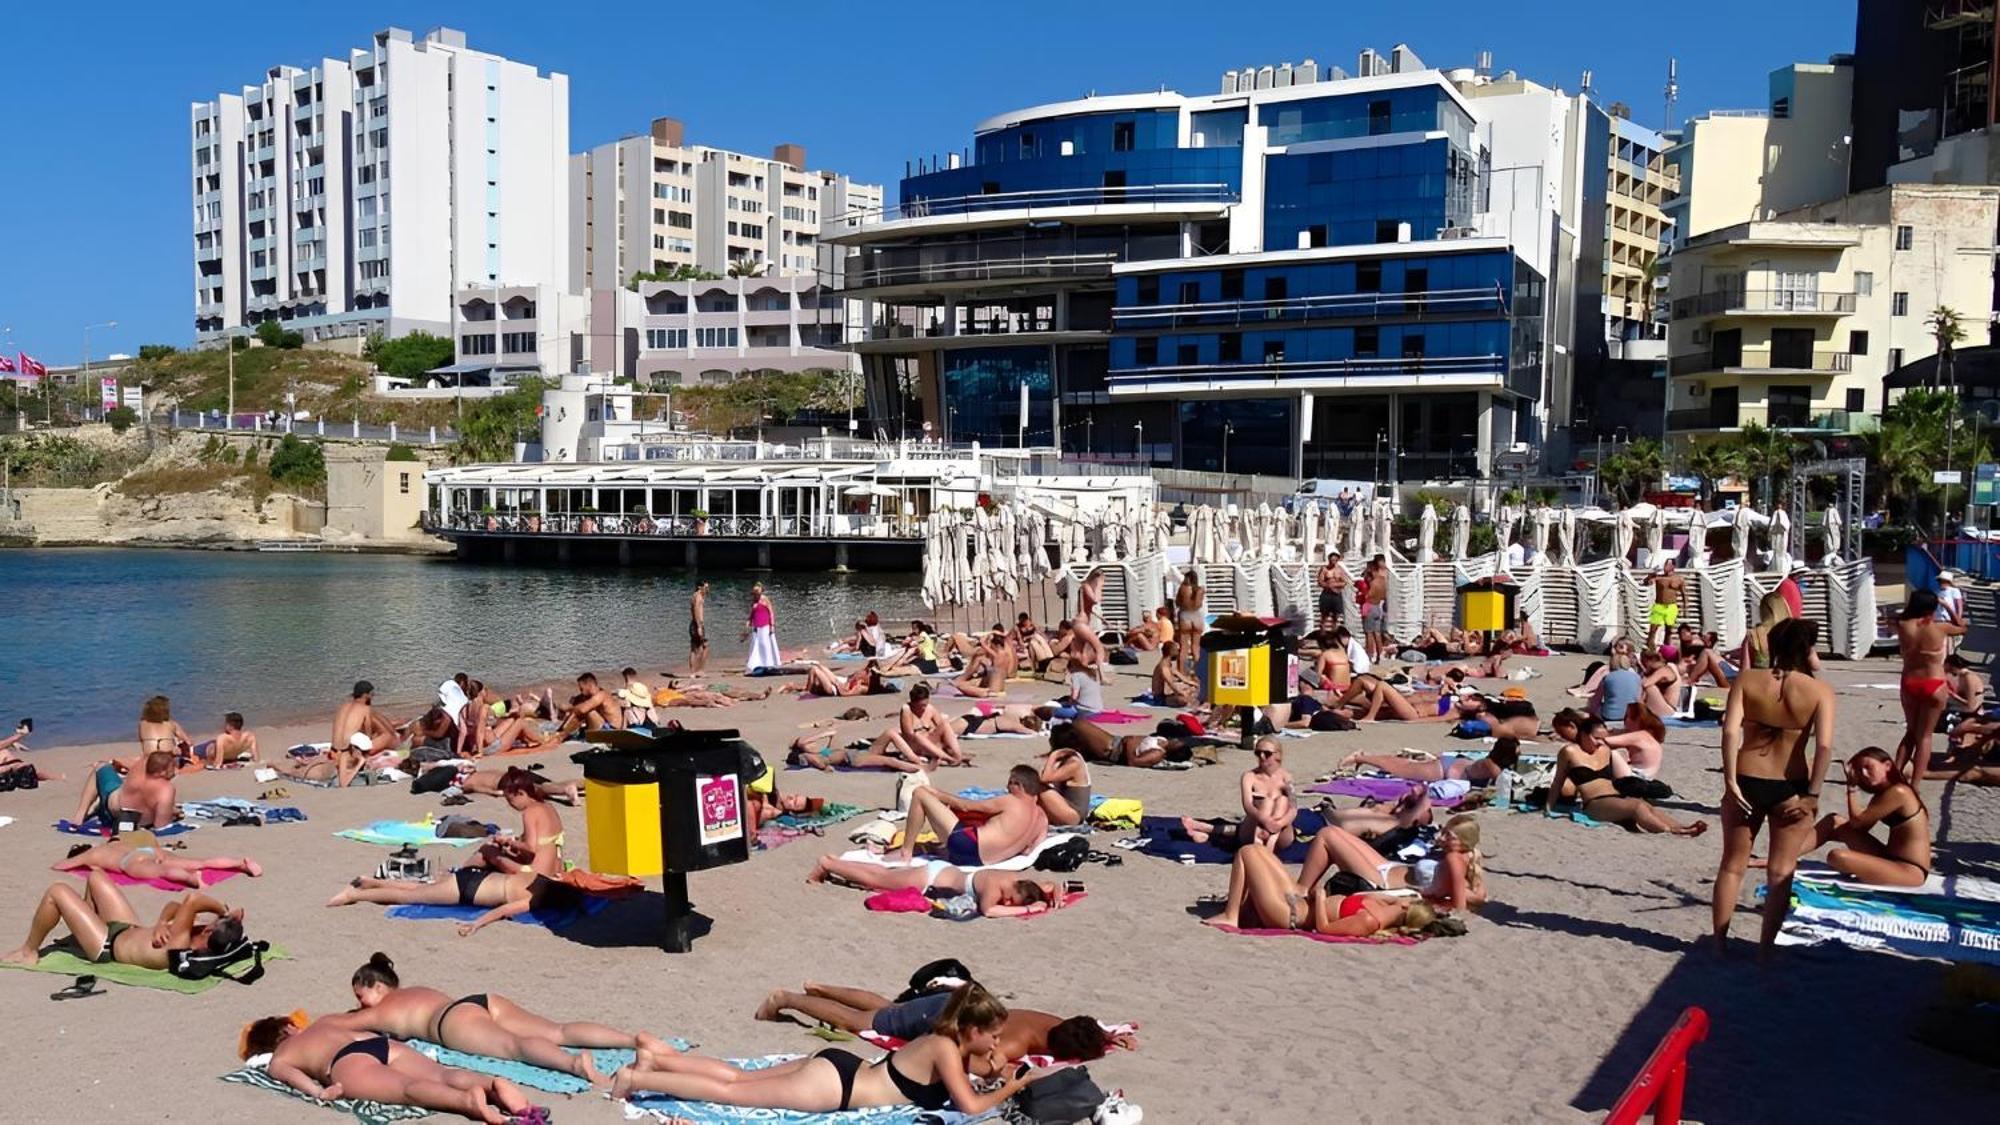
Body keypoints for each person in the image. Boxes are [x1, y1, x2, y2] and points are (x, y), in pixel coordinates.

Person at [609, 983, 1051, 1114]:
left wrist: (994, 1069)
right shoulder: (944, 1050)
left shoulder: (943, 1041)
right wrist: (1015, 1086)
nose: (997, 1043)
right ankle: (638, 1077)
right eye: (991, 1034)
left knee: (736, 1076)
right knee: (729, 1092)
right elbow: (971, 1106)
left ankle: (660, 1056)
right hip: (833, 1088)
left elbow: (978, 1073)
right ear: (970, 1029)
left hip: (838, 1068)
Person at [333, 952, 676, 1090]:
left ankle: (574, 1063)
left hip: (451, 1023)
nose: (359, 1005)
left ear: (378, 987)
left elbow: (338, 1025)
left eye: (360, 997)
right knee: (558, 1029)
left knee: (515, 1048)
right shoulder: (415, 990)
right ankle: (633, 1039)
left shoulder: (381, 1010)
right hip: (478, 1001)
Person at [1713, 617, 1837, 961]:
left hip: (1747, 777)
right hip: (1792, 784)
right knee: (1781, 870)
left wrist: (1730, 779)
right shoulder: (1820, 691)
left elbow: (1729, 732)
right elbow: (1824, 747)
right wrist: (1813, 793)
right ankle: (1765, 951)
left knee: (1732, 865)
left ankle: (1720, 944)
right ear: (1808, 649)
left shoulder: (1749, 680)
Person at [240, 1012, 537, 1124]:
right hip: (382, 1045)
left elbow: (301, 1081)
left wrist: (322, 1092)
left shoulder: (280, 1059)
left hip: (345, 1062)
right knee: (442, 1074)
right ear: (290, 1026)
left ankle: (468, 1102)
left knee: (407, 1090)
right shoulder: (323, 1023)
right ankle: (490, 1084)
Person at [754, 983, 1130, 1067]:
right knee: (862, 1022)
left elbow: (1090, 1028)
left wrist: (1109, 1037)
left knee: (889, 1009)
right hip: (940, 1017)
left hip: (961, 1004)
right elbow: (982, 1063)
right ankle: (786, 999)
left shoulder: (1060, 1024)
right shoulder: (1017, 1041)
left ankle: (821, 986)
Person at [4, 874, 244, 969]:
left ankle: (29, 950)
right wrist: (162, 922)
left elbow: (192, 899)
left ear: (210, 929)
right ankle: (79, 934)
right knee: (96, 876)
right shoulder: (200, 934)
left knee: (57, 891)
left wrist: (222, 909)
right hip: (128, 927)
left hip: (106, 945)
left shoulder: (181, 945)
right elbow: (175, 906)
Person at [1200, 844, 1439, 937]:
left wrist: (1322, 897)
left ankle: (1231, 916)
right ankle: (1241, 911)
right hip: (1298, 900)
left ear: (1406, 907)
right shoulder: (1381, 905)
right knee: (1258, 850)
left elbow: (1324, 929)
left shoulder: (1369, 921)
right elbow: (1382, 896)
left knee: (1247, 854)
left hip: (1289, 915)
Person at [1784, 747, 1931, 887]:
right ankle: (1786, 857)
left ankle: (1867, 871)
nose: (1864, 774)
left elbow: (1858, 823)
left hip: (1910, 870)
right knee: (1833, 821)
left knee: (1837, 856)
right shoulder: (1882, 795)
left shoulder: (1900, 792)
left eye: (1868, 767)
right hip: (1890, 858)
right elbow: (1861, 828)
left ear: (1887, 765)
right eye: (1860, 771)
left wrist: (1852, 789)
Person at [326, 866, 588, 939]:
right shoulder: (533, 899)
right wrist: (475, 925)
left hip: (473, 876)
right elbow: (502, 911)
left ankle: (371, 881)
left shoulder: (538, 879)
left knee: (422, 889)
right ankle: (355, 894)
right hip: (467, 891)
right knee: (411, 897)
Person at [1546, 716, 1707, 836]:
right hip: (1594, 804)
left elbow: (1619, 778)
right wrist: (1549, 807)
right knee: (1636, 808)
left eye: (1604, 738)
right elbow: (1558, 781)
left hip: (1615, 797)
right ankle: (1672, 831)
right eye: (1597, 738)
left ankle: (1681, 826)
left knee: (1643, 804)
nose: (1601, 742)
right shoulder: (1570, 752)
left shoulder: (1604, 750)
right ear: (1583, 734)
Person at [1294, 814, 1487, 913]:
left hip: (1383, 882)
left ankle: (1301, 890)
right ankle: (1302, 887)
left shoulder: (1454, 859)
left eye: (1448, 836)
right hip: (1388, 868)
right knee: (1334, 832)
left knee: (1327, 835)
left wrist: (1426, 901)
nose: (1441, 837)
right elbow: (1473, 893)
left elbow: (1458, 905)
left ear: (1462, 841)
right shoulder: (1467, 857)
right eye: (1443, 831)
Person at [808, 854, 1065, 917]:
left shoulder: (1013, 879)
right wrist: (1028, 910)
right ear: (1014, 890)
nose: (1007, 902)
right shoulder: (996, 887)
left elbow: (1050, 885)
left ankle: (836, 862)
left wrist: (1053, 894)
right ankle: (828, 864)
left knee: (883, 876)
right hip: (929, 879)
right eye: (1011, 899)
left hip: (939, 872)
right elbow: (989, 911)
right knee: (877, 880)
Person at [895, 764, 1049, 866]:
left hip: (966, 847)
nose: (1006, 788)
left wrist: (934, 792)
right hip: (985, 862)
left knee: (920, 793)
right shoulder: (1042, 818)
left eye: (1009, 783)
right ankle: (930, 849)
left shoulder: (1010, 801)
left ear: (1018, 785)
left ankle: (906, 852)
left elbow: (965, 806)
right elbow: (1028, 851)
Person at [1896, 589, 1965, 783]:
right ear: (1932, 607)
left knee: (1910, 732)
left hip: (1910, 681)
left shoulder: (1902, 625)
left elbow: (1901, 616)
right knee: (1925, 737)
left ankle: (1895, 775)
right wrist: (1947, 606)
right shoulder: (1940, 628)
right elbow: (1962, 627)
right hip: (1933, 682)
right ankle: (1915, 784)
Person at [1178, 737, 1296, 850]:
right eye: (1258, 753)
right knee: (1266, 804)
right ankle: (1265, 844)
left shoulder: (1286, 778)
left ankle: (1205, 828)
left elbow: (1293, 809)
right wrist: (1266, 821)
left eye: (1267, 753)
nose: (1262, 756)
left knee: (1282, 802)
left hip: (1280, 832)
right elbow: (1248, 806)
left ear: (1278, 755)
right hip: (1255, 826)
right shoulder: (1249, 777)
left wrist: (1278, 824)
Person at [468, 768, 566, 877]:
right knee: (503, 851)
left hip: (536, 874)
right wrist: (515, 843)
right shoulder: (548, 806)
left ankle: (461, 874)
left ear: (521, 793)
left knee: (487, 849)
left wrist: (509, 841)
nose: (510, 805)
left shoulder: (530, 812)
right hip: (555, 870)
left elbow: (530, 848)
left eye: (510, 800)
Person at [55, 838, 262, 889]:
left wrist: (57, 865)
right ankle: (240, 863)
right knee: (200, 862)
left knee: (164, 871)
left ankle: (195, 881)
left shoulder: (92, 854)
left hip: (131, 861)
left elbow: (64, 865)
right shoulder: (112, 843)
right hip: (146, 850)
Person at [1338, 737, 1520, 786]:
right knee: (1400, 769)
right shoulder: (1494, 767)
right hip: (1444, 770)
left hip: (1453, 765)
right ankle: (1359, 757)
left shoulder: (1493, 763)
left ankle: (1365, 755)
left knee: (1403, 765)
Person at [72, 749, 178, 829]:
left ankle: (80, 816)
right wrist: (170, 814)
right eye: (173, 768)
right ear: (162, 772)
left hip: (114, 810)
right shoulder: (166, 790)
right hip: (138, 822)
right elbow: (161, 825)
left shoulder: (138, 768)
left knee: (102, 766)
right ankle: (93, 810)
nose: (175, 771)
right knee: (101, 767)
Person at [332, 681, 402, 788]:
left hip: (334, 751)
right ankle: (399, 749)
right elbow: (368, 734)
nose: (373, 697)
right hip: (348, 754)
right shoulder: (365, 709)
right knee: (388, 737)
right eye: (372, 694)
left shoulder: (343, 706)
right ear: (365, 695)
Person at [1049, 716, 1188, 769]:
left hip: (1113, 749)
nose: (1176, 740)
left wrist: (1130, 744)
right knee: (1077, 729)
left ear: (1174, 750)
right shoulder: (1162, 741)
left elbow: (1133, 762)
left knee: (1079, 724)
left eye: (1178, 743)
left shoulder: (1158, 753)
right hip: (1117, 741)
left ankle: (1060, 747)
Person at [786, 728, 924, 773]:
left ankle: (916, 759)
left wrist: (820, 735)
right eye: (808, 744)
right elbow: (821, 765)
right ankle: (920, 768)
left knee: (890, 732)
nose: (812, 744)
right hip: (853, 758)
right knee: (889, 760)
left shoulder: (826, 750)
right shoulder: (812, 756)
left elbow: (833, 732)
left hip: (863, 752)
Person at [899, 683, 968, 766]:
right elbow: (909, 734)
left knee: (945, 724)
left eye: (925, 705)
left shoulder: (930, 708)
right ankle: (948, 758)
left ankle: (957, 755)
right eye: (920, 706)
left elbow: (941, 726)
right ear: (913, 703)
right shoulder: (907, 709)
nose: (923, 708)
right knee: (917, 735)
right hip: (915, 745)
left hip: (929, 741)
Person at [1035, 743, 1093, 827]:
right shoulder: (1064, 761)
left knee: (1040, 788)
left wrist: (1053, 755)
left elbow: (1045, 778)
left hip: (1075, 815)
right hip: (1066, 806)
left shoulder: (1074, 763)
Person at [138, 694, 196, 768]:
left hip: (150, 760)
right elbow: (188, 742)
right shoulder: (172, 724)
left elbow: (141, 741)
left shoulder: (142, 724)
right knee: (181, 745)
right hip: (167, 759)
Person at [189, 711, 260, 770]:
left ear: (230, 726)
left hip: (205, 751)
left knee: (189, 751)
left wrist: (206, 764)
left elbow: (218, 764)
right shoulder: (250, 737)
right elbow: (256, 759)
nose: (224, 726)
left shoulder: (223, 738)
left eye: (226, 724)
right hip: (230, 753)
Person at [1590, 650, 1644, 724]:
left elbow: (1596, 699)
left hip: (1610, 716)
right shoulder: (1637, 677)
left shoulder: (1607, 677)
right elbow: (1639, 699)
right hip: (1630, 716)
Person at [1645, 560, 1685, 649]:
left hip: (1671, 606)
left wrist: (1685, 607)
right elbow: (1646, 583)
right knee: (1653, 629)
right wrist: (1649, 576)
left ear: (1673, 566)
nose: (1665, 566)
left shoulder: (1679, 579)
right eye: (1665, 564)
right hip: (1659, 605)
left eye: (1668, 564)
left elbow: (1684, 594)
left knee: (1669, 630)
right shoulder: (1659, 578)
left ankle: (1666, 648)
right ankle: (1650, 648)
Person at [1637, 649, 1686, 719]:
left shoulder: (1664, 670)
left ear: (1649, 661)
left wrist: (1643, 669)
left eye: (1644, 663)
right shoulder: (1663, 669)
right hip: (1665, 706)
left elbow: (1645, 684)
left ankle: (1637, 710)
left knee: (1650, 688)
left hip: (1669, 709)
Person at [744, 583, 781, 674]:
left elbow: (771, 612)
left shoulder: (765, 600)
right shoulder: (753, 602)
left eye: (757, 593)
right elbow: (752, 615)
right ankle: (756, 663)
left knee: (765, 644)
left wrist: (772, 625)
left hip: (765, 626)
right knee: (756, 646)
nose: (756, 595)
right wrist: (748, 623)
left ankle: (769, 663)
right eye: (754, 593)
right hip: (756, 627)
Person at [803, 660, 889, 699]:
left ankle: (808, 691)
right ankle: (810, 689)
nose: (868, 672)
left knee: (814, 670)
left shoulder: (863, 687)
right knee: (818, 666)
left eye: (870, 672)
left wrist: (837, 684)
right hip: (839, 683)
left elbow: (846, 694)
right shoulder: (863, 677)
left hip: (834, 690)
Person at [1175, 571, 1206, 674]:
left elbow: (1178, 602)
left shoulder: (1183, 588)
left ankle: (1181, 672)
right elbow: (1200, 604)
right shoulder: (1201, 590)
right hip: (1197, 615)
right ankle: (1198, 671)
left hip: (1185, 615)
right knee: (1196, 647)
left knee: (1183, 647)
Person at [1150, 642, 1198, 707]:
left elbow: (1180, 676)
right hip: (1160, 699)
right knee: (1183, 700)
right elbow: (1171, 684)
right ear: (1171, 652)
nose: (1178, 652)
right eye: (1177, 650)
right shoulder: (1164, 667)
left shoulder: (1168, 663)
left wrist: (1192, 683)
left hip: (1166, 695)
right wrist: (1181, 693)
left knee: (1193, 689)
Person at [1363, 558, 1391, 663]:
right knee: (1377, 633)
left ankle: (1370, 655)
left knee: (1368, 633)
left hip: (1368, 605)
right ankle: (1379, 655)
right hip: (1378, 606)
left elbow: (1367, 595)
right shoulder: (1383, 580)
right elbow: (1384, 595)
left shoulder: (1371, 581)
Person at [1316, 551, 1348, 632]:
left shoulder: (1340, 570)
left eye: (1335, 560)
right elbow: (1320, 581)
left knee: (1336, 615)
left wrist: (1335, 585)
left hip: (1336, 594)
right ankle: (1322, 632)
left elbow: (1344, 582)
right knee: (1324, 615)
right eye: (1331, 560)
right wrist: (1327, 585)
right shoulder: (1324, 569)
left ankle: (1334, 632)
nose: (1333, 561)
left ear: (1337, 560)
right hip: (1327, 594)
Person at [689, 581, 710, 675]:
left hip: (694, 624)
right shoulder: (698, 597)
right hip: (697, 624)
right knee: (703, 647)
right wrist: (699, 626)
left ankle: (693, 672)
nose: (707, 590)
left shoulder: (694, 596)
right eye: (705, 588)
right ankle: (699, 671)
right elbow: (697, 610)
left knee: (695, 647)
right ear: (699, 587)